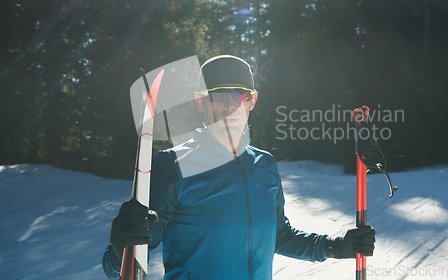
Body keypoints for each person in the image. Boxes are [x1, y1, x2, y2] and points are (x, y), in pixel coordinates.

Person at [102, 55, 376, 280]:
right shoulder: (173, 167)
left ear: (252, 100)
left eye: (239, 95)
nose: (230, 106)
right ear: (201, 101)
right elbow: (124, 264)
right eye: (218, 96)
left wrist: (336, 247)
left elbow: (279, 236)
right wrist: (118, 251)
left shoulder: (265, 165)